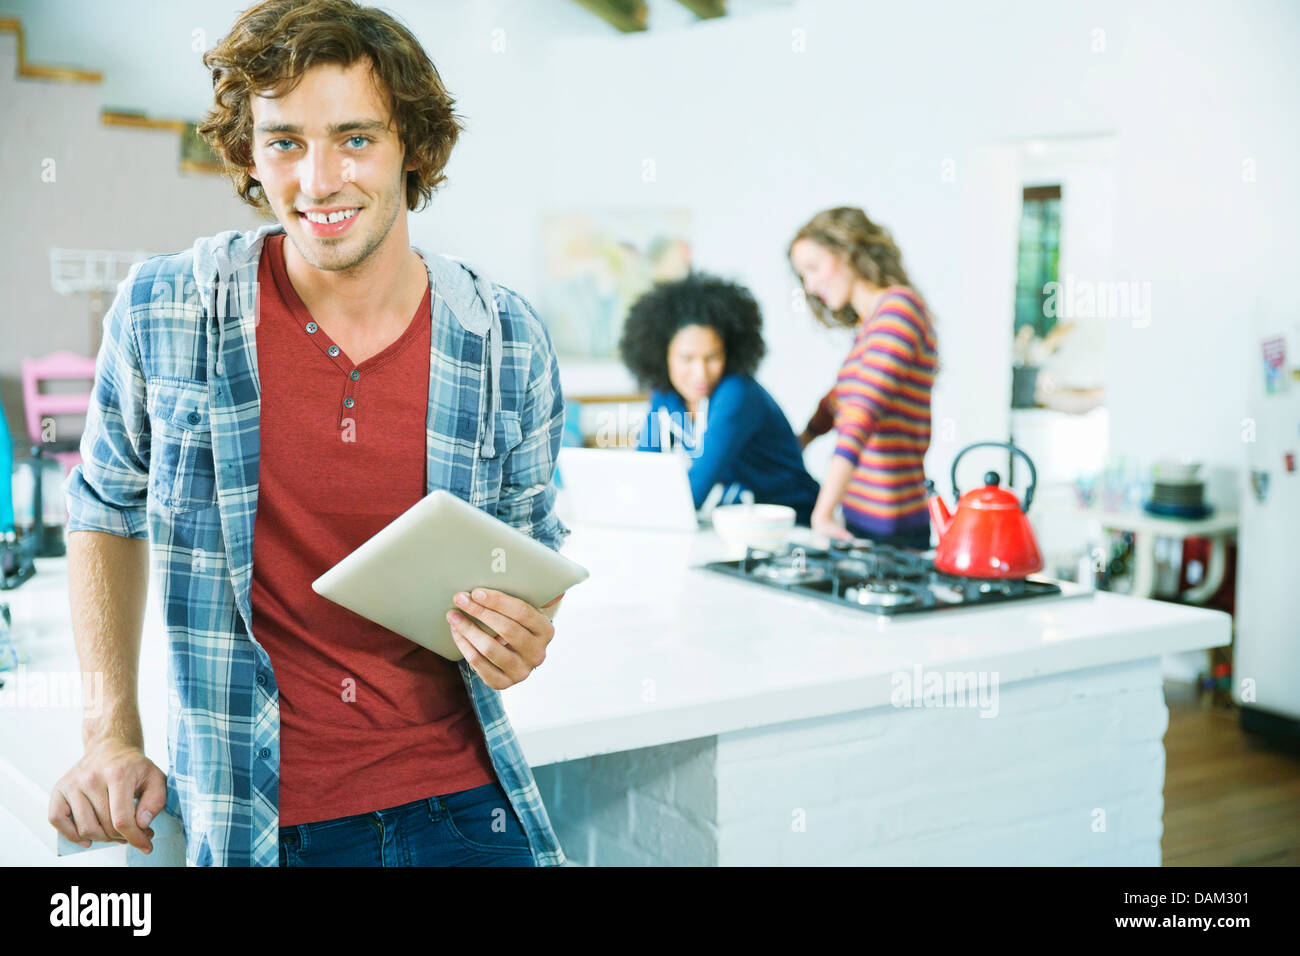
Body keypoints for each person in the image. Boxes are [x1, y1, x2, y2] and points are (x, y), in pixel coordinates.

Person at [49, 0, 570, 867]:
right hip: (258, 818)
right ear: (251, 153)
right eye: (285, 141)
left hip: (465, 807)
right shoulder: (166, 310)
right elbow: (105, 510)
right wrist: (109, 731)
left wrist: (526, 630)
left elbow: (530, 552)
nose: (319, 181)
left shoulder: (506, 338)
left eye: (356, 138)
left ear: (414, 148)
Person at [788, 207, 939, 549]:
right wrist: (799, 441)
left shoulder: (900, 310)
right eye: (803, 276)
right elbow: (838, 401)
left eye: (813, 268)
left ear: (848, 251)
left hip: (894, 529)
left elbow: (860, 414)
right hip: (859, 521)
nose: (810, 286)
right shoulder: (869, 326)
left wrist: (822, 513)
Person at [618, 272, 820, 525]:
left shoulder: (737, 393)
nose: (700, 373)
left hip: (792, 524)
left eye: (712, 357)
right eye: (686, 359)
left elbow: (698, 485)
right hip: (737, 524)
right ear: (661, 356)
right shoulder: (666, 394)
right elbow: (645, 469)